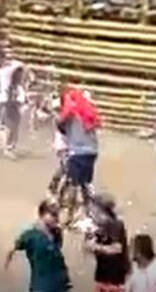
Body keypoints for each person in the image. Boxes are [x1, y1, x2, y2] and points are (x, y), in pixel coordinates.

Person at [6, 199, 69, 292]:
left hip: (58, 284)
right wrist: (8, 268)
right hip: (42, 285)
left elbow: (58, 252)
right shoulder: (31, 234)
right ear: (42, 214)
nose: (56, 219)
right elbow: (12, 248)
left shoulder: (55, 233)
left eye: (57, 215)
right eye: (53, 215)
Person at [59, 85, 100, 216]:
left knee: (73, 184)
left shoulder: (70, 113)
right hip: (92, 151)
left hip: (78, 152)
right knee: (86, 184)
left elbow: (60, 126)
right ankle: (88, 212)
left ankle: (69, 215)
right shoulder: (89, 111)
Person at [86, 193, 130, 292]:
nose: (91, 212)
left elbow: (117, 248)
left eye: (94, 210)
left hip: (115, 277)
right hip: (102, 275)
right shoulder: (95, 226)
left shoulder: (115, 224)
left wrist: (96, 247)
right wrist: (89, 243)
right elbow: (88, 246)